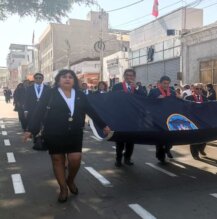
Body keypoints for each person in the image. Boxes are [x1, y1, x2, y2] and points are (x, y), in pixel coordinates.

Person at [24, 69, 111, 203]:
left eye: (70, 77)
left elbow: (91, 111)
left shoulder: (80, 95)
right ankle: (63, 188)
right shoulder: (50, 93)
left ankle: (70, 180)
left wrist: (103, 125)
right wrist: (31, 129)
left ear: (74, 81)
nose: (67, 79)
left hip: (75, 132)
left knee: (75, 159)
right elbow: (39, 111)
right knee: (57, 159)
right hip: (54, 132)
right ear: (58, 80)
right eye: (64, 77)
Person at [112, 69, 146, 167]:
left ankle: (127, 158)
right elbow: (112, 100)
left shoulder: (138, 88)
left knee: (130, 141)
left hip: (133, 118)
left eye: (131, 76)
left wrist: (137, 88)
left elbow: (145, 97)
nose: (129, 77)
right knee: (120, 141)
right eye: (127, 75)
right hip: (120, 118)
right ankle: (118, 159)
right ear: (124, 76)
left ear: (134, 77)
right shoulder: (117, 86)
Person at [148, 76, 176, 163]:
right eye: (164, 83)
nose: (166, 85)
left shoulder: (172, 92)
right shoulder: (153, 91)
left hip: (169, 118)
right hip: (157, 119)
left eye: (168, 83)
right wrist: (156, 99)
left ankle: (167, 149)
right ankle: (161, 157)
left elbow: (175, 104)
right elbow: (147, 103)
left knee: (171, 138)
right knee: (160, 139)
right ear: (160, 83)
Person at [24, 73, 50, 150]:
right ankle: (36, 139)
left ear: (42, 79)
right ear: (34, 79)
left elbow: (50, 99)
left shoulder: (47, 88)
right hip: (33, 110)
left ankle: (43, 139)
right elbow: (26, 100)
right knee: (34, 125)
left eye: (40, 78)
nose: (38, 79)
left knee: (45, 125)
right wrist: (26, 110)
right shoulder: (29, 88)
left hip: (44, 110)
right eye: (37, 78)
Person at [185, 83, 208, 159]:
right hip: (193, 120)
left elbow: (208, 108)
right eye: (197, 88)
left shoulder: (204, 98)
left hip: (203, 120)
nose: (198, 90)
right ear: (193, 89)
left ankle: (201, 148)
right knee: (194, 138)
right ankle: (195, 154)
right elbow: (185, 109)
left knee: (205, 137)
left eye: (200, 89)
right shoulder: (188, 98)